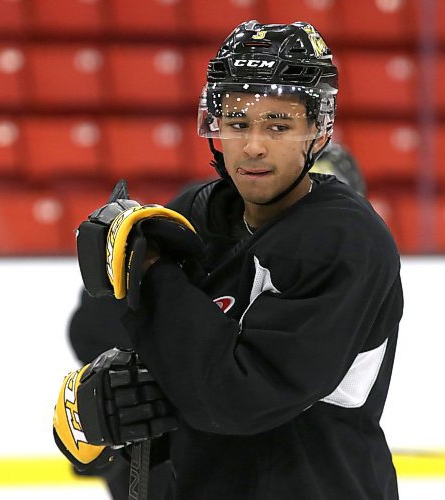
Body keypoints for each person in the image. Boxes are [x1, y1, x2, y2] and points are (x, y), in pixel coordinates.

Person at [55, 20, 403, 500]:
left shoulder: (347, 240)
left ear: (317, 129)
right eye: (238, 122)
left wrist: (153, 274)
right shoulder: (194, 214)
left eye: (278, 125)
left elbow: (237, 399)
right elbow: (107, 335)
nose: (254, 144)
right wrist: (101, 413)